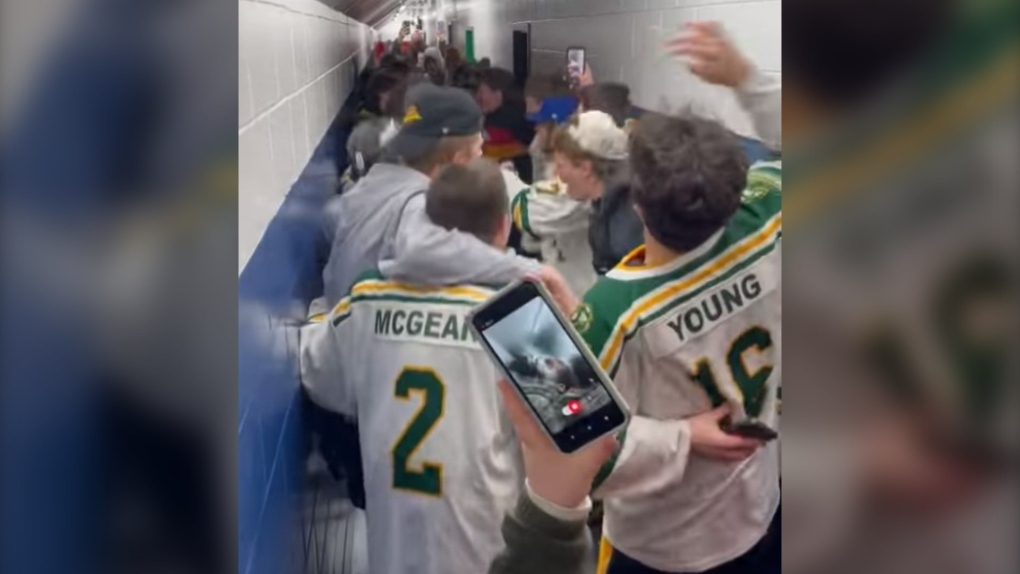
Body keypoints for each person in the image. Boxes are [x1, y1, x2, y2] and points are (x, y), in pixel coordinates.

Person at [572, 114, 781, 574]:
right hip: (761, 508)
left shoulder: (613, 309)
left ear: (639, 207)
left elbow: (578, 453)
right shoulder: (770, 219)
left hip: (665, 547)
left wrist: (681, 437)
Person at [302, 159, 528, 574]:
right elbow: (581, 434)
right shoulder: (517, 312)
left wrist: (320, 315)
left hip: (396, 543)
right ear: (503, 226)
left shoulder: (370, 298)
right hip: (487, 543)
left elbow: (319, 375)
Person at [321, 82, 565, 307]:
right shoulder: (418, 203)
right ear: (458, 160)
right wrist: (531, 271)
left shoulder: (371, 183)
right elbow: (420, 251)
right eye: (478, 150)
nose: (481, 157)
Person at [547, 110, 643, 275]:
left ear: (586, 168)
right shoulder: (613, 201)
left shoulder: (627, 230)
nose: (557, 174)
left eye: (561, 165)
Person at [475, 67, 536, 182]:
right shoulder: (516, 114)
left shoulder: (507, 120)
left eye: (482, 92)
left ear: (498, 95)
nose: (477, 97)